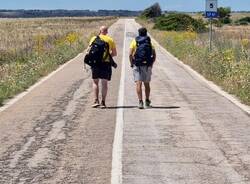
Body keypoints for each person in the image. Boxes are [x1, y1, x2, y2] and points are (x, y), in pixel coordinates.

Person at [87, 26, 117, 108]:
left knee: (95, 82)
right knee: (104, 83)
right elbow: (114, 53)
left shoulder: (93, 38)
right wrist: (107, 55)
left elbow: (89, 50)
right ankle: (103, 102)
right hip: (105, 63)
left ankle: (96, 100)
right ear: (107, 31)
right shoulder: (110, 40)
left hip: (95, 63)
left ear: (100, 31)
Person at [129, 27, 156, 109]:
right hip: (147, 65)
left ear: (139, 33)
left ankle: (140, 102)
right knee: (147, 84)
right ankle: (147, 101)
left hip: (137, 64)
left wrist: (131, 63)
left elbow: (130, 54)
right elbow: (154, 55)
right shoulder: (149, 41)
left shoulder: (135, 41)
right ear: (146, 33)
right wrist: (151, 64)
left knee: (138, 83)